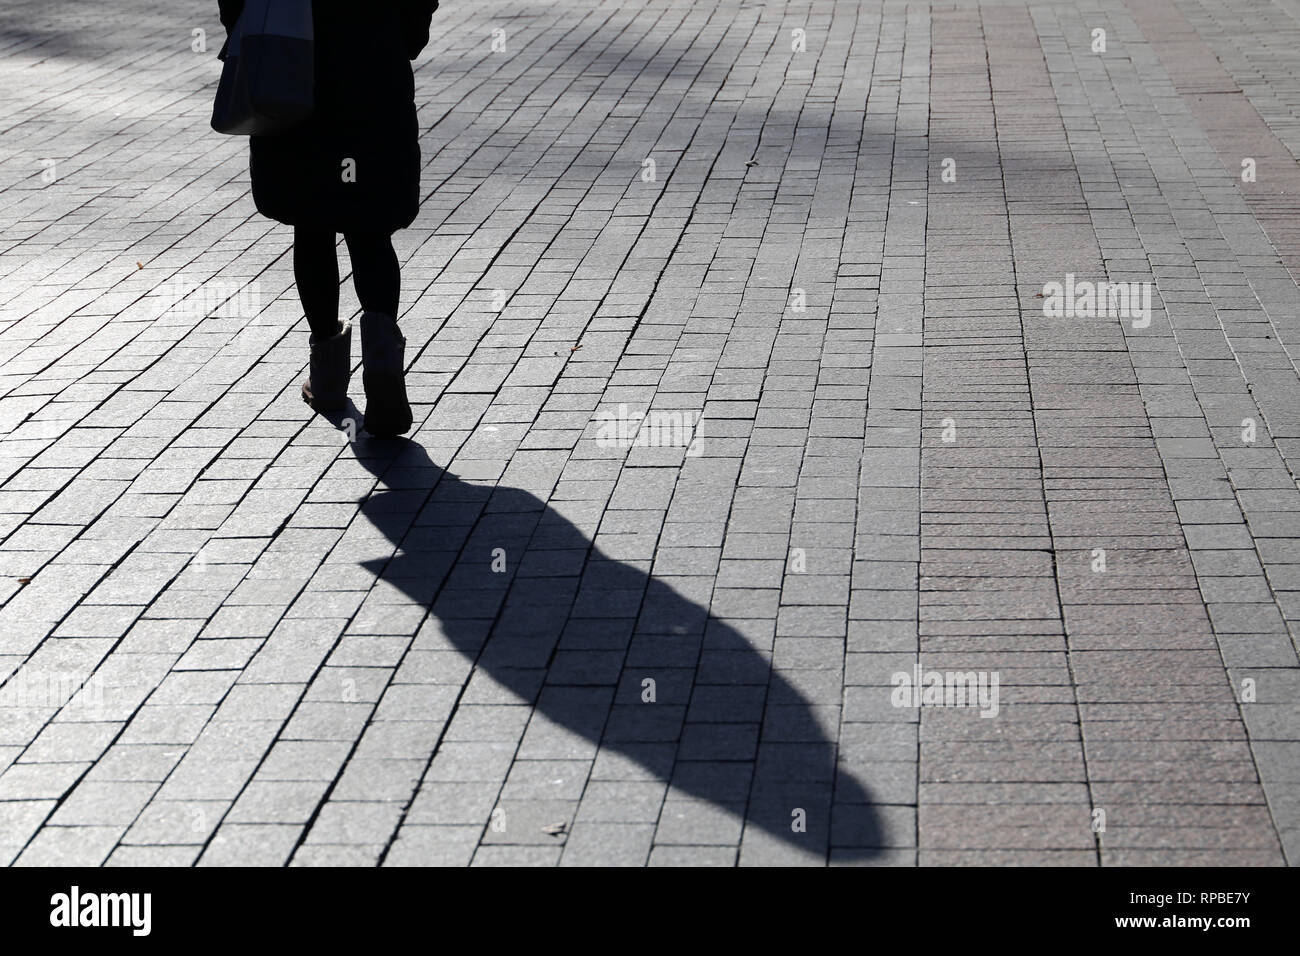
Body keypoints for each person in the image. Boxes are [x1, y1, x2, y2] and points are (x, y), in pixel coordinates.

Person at [217, 0, 439, 436]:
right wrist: (406, 32)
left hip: (292, 65)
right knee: (369, 226)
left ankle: (328, 377)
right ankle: (383, 367)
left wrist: (246, 27)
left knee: (311, 220)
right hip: (373, 68)